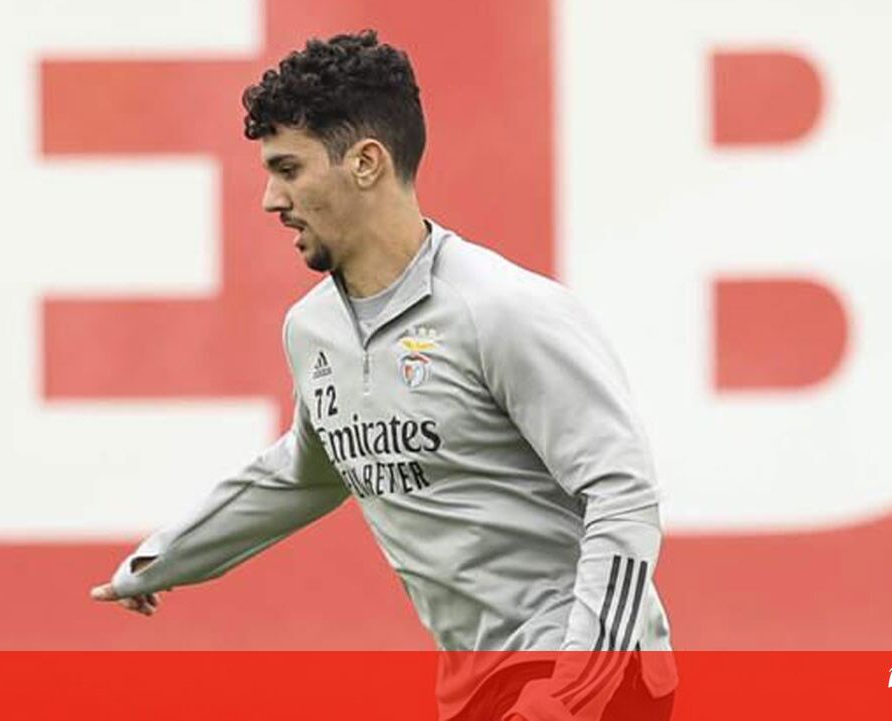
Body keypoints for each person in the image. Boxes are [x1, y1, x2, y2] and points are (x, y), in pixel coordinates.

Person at [90, 30, 677, 721]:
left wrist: (577, 688)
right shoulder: (313, 329)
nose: (271, 199)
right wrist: (166, 557)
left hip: (580, 671)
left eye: (289, 168)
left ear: (366, 162)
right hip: (479, 685)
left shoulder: (503, 309)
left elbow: (621, 491)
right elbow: (307, 471)